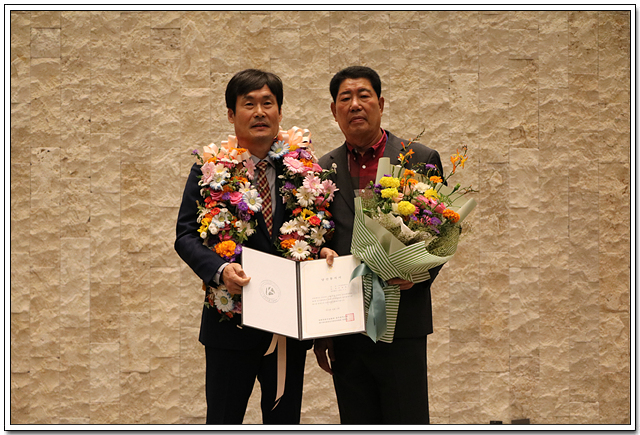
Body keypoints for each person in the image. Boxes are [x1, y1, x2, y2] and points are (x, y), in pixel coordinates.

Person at [175, 69, 335, 424]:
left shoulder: (304, 171)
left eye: (268, 103)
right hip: (230, 326)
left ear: (280, 111)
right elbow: (185, 236)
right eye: (249, 104)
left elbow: (319, 229)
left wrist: (322, 251)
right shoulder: (209, 171)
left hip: (288, 328)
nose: (260, 112)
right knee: (223, 420)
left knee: (284, 422)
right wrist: (220, 270)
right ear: (231, 114)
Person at [314, 66, 444, 424]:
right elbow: (319, 239)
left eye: (364, 96)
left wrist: (417, 273)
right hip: (346, 325)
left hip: (403, 320)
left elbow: (442, 231)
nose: (355, 105)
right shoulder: (321, 170)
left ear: (381, 103)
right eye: (345, 98)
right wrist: (322, 331)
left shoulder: (418, 159)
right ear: (334, 110)